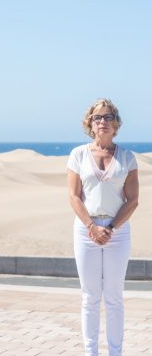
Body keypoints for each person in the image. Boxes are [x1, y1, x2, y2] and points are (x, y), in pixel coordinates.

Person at [67, 98, 139, 356]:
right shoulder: (78, 155)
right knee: (89, 296)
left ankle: (115, 353)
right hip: (85, 231)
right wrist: (91, 226)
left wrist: (110, 228)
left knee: (114, 297)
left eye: (108, 117)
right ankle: (91, 352)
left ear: (116, 123)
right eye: (98, 117)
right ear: (91, 123)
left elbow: (133, 201)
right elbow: (74, 196)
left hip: (117, 233)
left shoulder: (128, 158)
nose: (103, 122)